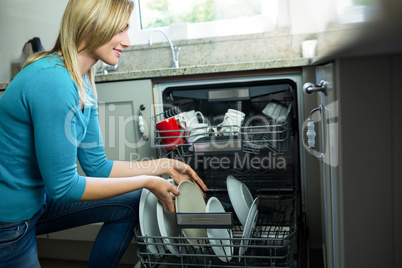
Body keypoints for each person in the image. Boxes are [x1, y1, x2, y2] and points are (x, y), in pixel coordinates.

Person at [0, 0, 207, 267]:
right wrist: (147, 180)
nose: (128, 41)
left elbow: (97, 166)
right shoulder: (54, 81)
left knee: (132, 203)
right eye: (120, 30)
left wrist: (164, 165)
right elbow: (64, 188)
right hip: (9, 220)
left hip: (37, 203)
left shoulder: (82, 79)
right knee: (140, 190)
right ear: (91, 26)